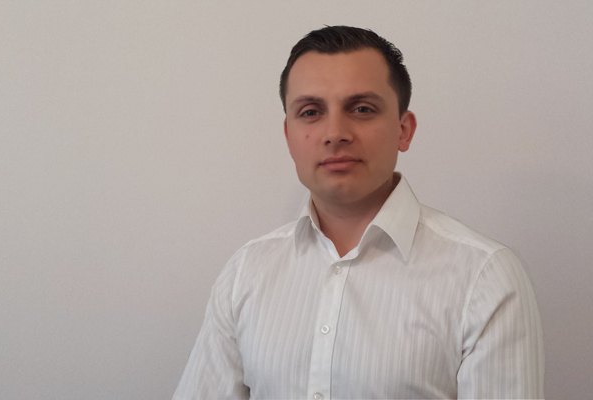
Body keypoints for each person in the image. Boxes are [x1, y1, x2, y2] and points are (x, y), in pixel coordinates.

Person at [173, 26, 544, 400]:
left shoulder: (483, 277)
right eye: (311, 112)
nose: (335, 133)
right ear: (288, 136)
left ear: (404, 130)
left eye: (362, 109)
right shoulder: (246, 272)